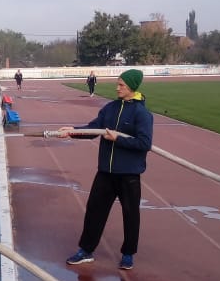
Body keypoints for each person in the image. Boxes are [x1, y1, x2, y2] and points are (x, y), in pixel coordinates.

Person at [56, 69, 153, 270]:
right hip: (105, 173)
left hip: (128, 174)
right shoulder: (110, 108)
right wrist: (72, 131)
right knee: (94, 211)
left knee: (130, 214)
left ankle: (128, 254)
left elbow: (144, 143)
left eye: (121, 85)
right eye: (118, 84)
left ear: (132, 87)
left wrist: (118, 138)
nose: (117, 88)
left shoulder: (142, 114)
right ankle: (86, 250)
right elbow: (93, 129)